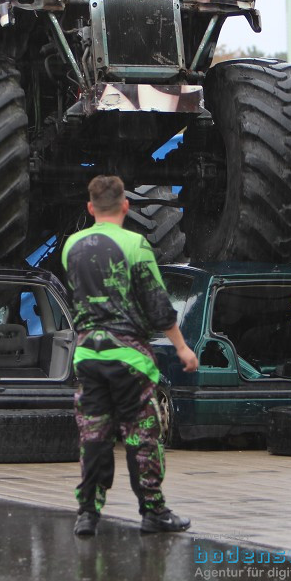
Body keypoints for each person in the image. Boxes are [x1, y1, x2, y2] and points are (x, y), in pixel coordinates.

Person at [62, 175, 199, 537]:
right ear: (125, 206)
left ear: (90, 208)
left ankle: (88, 513)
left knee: (94, 435)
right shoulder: (135, 244)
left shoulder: (72, 247)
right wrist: (183, 348)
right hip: (130, 360)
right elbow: (157, 305)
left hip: (88, 358)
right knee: (142, 436)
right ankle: (152, 512)